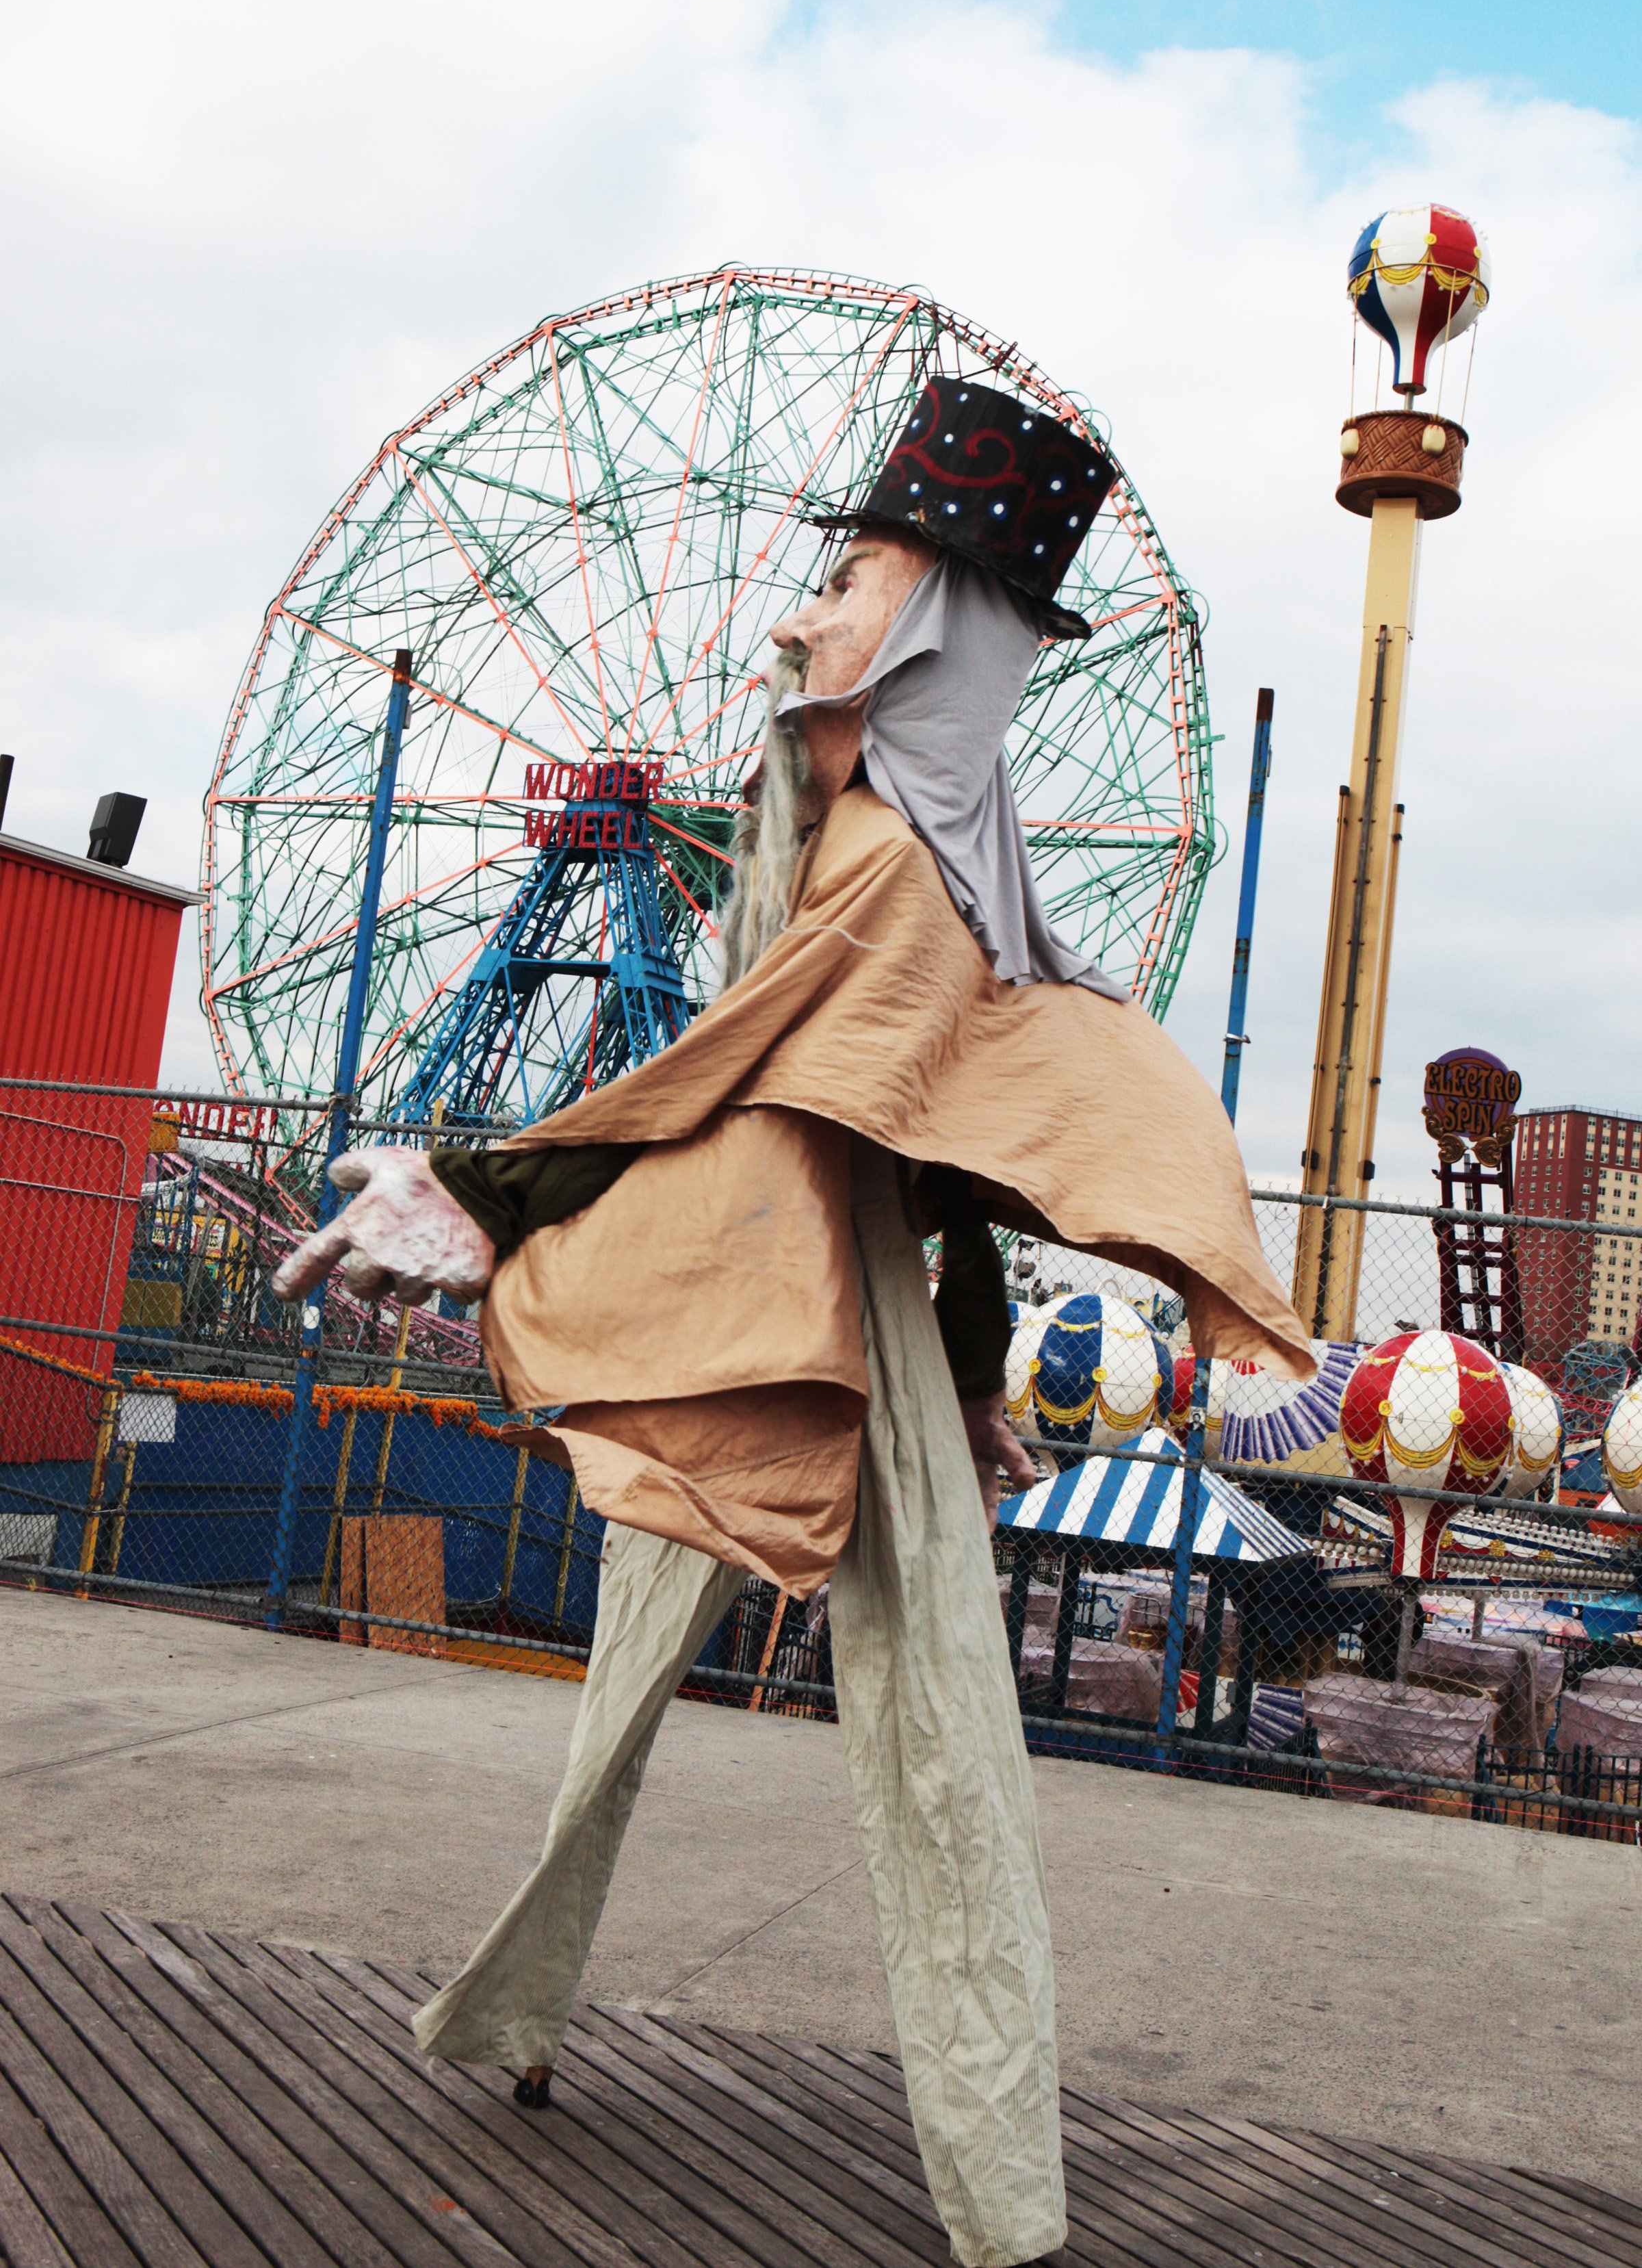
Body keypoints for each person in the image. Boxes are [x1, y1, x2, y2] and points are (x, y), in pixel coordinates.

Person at [275, 376, 1311, 2268]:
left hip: (834, 1328)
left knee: (936, 1758)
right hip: (790, 1296)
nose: (790, 613)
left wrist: (492, 1198)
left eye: (842, 579)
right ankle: (515, 2019)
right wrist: (992, 1361)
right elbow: (921, 1129)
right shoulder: (840, 816)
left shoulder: (900, 873)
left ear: (925, 635)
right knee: (636, 1683)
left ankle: (1001, 2195)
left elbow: (782, 1077)